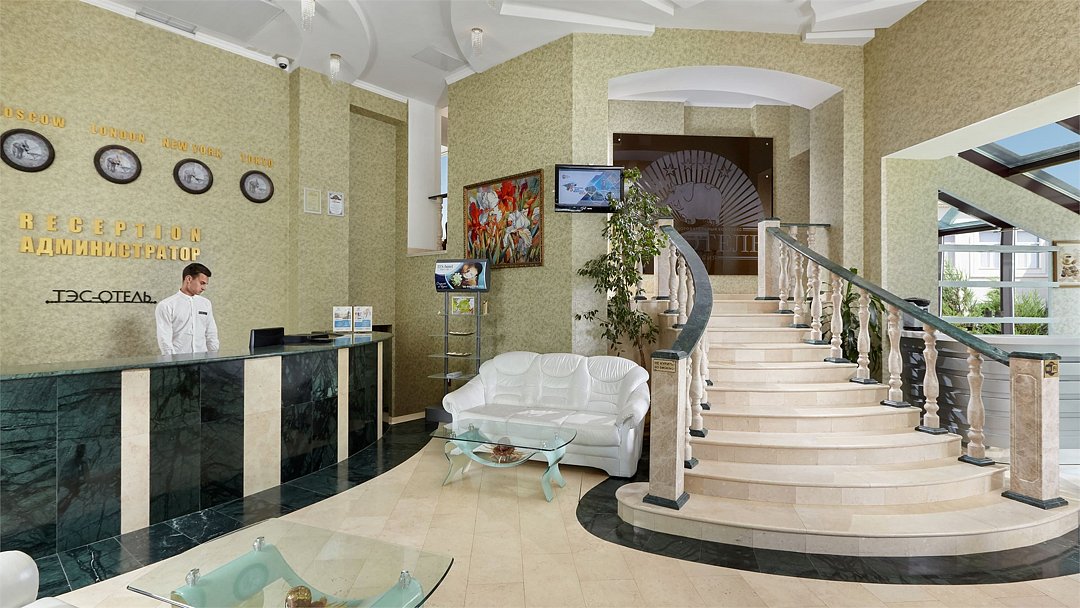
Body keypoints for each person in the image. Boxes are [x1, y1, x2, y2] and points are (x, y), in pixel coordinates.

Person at [156, 263, 219, 355]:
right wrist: (172, 361)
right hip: (178, 360)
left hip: (203, 359)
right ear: (189, 279)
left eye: (206, 284)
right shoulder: (166, 305)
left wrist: (214, 356)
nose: (204, 288)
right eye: (202, 283)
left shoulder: (206, 304)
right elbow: (164, 339)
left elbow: (211, 333)